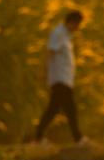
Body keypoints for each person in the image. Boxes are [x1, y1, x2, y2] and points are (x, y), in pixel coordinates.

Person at [35, 10, 87, 144]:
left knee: (54, 109)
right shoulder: (58, 33)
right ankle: (78, 138)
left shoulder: (66, 36)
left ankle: (38, 136)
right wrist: (43, 71)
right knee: (70, 109)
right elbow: (49, 52)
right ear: (72, 22)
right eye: (77, 24)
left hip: (64, 79)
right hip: (59, 78)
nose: (78, 28)